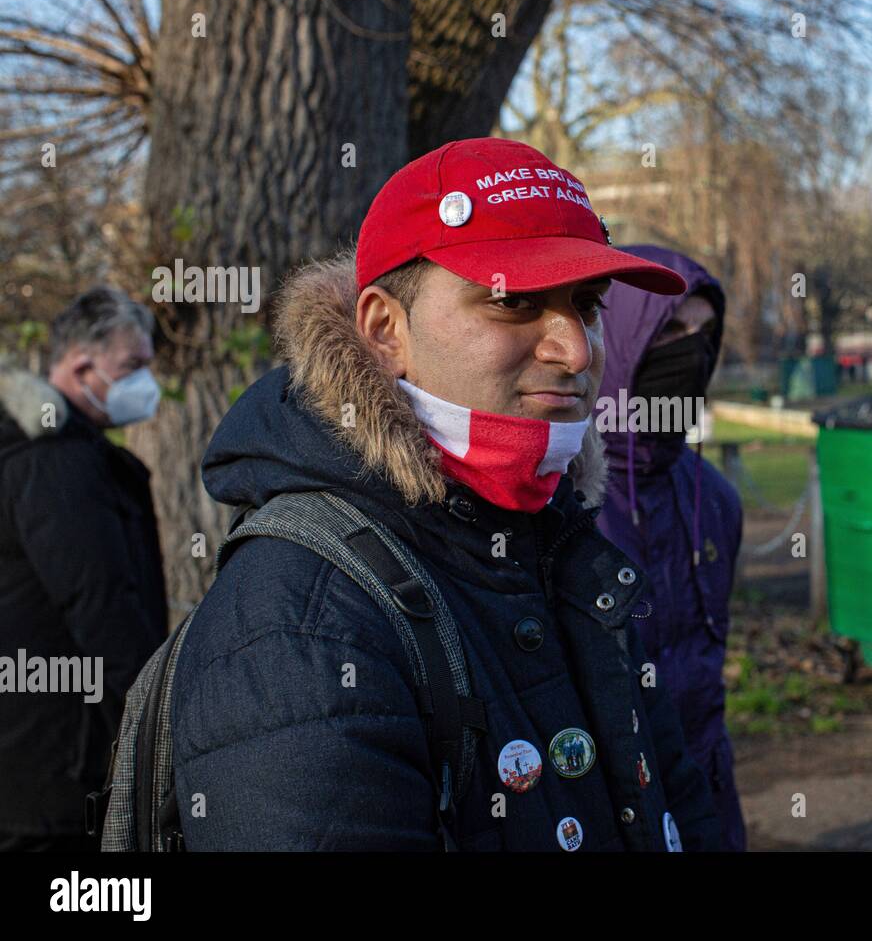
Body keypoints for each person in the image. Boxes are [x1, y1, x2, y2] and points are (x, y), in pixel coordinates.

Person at [171, 137, 720, 851]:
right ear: (384, 331)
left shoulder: (562, 544)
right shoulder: (300, 627)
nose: (577, 350)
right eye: (513, 302)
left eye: (587, 305)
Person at [0, 289, 167, 851]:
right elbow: (103, 606)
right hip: (58, 771)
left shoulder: (42, 450)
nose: (147, 383)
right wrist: (155, 732)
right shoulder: (55, 462)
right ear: (81, 365)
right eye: (133, 367)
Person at [594, 246, 746, 850]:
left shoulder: (716, 500)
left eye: (707, 334)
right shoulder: (553, 501)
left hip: (705, 800)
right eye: (672, 330)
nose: (692, 352)